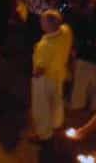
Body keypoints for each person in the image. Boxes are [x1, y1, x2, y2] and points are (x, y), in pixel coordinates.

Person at [30, 9, 73, 143]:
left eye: (42, 21)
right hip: (60, 74)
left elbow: (39, 69)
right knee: (57, 102)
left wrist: (34, 74)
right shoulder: (66, 31)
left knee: (41, 107)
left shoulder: (44, 45)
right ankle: (56, 124)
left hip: (45, 79)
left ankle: (44, 134)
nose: (40, 23)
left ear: (48, 25)